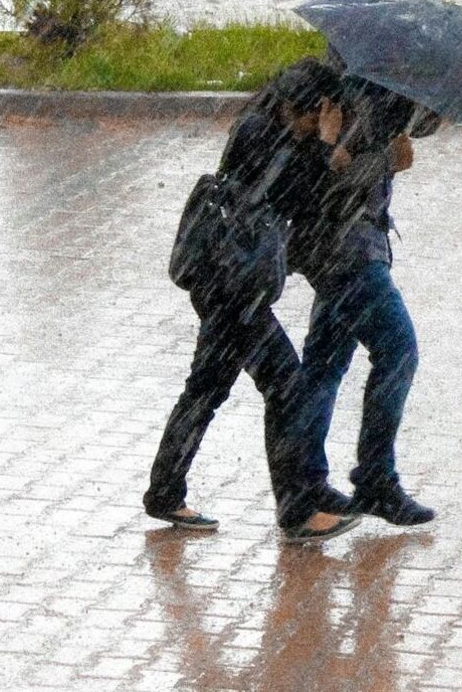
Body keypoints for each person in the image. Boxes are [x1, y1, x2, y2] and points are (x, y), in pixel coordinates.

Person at [144, 59, 377, 542]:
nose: (326, 121)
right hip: (234, 287)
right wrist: (329, 148)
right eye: (323, 112)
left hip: (222, 277)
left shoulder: (265, 126)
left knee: (207, 387)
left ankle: (165, 492)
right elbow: (307, 198)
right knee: (285, 386)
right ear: (305, 108)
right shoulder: (270, 139)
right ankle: (295, 511)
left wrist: (324, 147)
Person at [288, 75, 440, 527]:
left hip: (344, 248)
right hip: (347, 252)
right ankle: (374, 478)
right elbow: (331, 182)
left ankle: (305, 482)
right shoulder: (355, 92)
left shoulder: (383, 86)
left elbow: (422, 125)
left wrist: (424, 112)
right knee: (398, 350)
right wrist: (386, 161)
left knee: (324, 364)